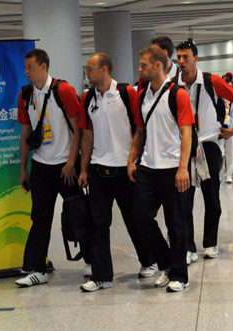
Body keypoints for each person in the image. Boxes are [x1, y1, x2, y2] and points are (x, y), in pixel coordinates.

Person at [77, 53, 156, 292]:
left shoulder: (126, 93)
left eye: (90, 69)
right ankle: (102, 276)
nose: (86, 73)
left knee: (135, 219)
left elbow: (139, 129)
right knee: (99, 223)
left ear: (104, 69)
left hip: (125, 168)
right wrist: (84, 168)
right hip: (99, 168)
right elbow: (86, 135)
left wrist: (133, 160)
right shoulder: (88, 98)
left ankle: (148, 260)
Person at [15, 49, 88, 287]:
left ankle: (92, 261)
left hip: (66, 165)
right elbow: (25, 134)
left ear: (43, 67)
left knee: (79, 212)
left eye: (30, 67)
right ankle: (38, 270)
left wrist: (70, 162)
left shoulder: (62, 90)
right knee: (40, 217)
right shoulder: (25, 95)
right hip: (41, 166)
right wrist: (24, 169)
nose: (26, 71)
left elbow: (78, 128)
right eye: (25, 67)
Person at [127, 46, 194, 292]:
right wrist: (132, 158)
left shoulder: (178, 94)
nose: (139, 68)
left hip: (172, 168)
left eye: (144, 64)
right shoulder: (142, 95)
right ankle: (165, 263)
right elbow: (140, 131)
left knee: (176, 223)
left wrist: (183, 168)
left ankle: (179, 276)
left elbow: (186, 133)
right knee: (140, 217)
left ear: (158, 65)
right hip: (148, 167)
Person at [175, 41, 233, 261]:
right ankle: (188, 247)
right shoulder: (173, 84)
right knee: (184, 199)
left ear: (196, 58)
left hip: (209, 144)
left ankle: (211, 243)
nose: (181, 62)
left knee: (212, 198)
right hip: (184, 146)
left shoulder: (210, 81)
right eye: (179, 57)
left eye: (185, 57)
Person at [222, 76, 233, 184]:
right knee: (221, 152)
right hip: (220, 127)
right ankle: (221, 173)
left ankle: (229, 174)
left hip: (231, 127)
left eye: (231, 87)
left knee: (230, 152)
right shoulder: (218, 97)